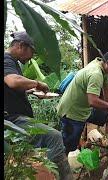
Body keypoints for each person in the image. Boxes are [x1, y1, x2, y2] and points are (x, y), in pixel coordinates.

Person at [4, 31, 73, 179]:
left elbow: (10, 89)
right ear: (22, 46)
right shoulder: (6, 59)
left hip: (15, 118)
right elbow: (13, 81)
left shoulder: (12, 62)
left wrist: (30, 91)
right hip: (12, 120)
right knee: (54, 137)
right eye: (32, 52)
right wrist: (37, 83)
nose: (32, 57)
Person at [56, 50, 108, 155]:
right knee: (70, 148)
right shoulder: (95, 73)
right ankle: (65, 167)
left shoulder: (102, 68)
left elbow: (106, 90)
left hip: (85, 110)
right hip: (72, 113)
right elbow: (93, 101)